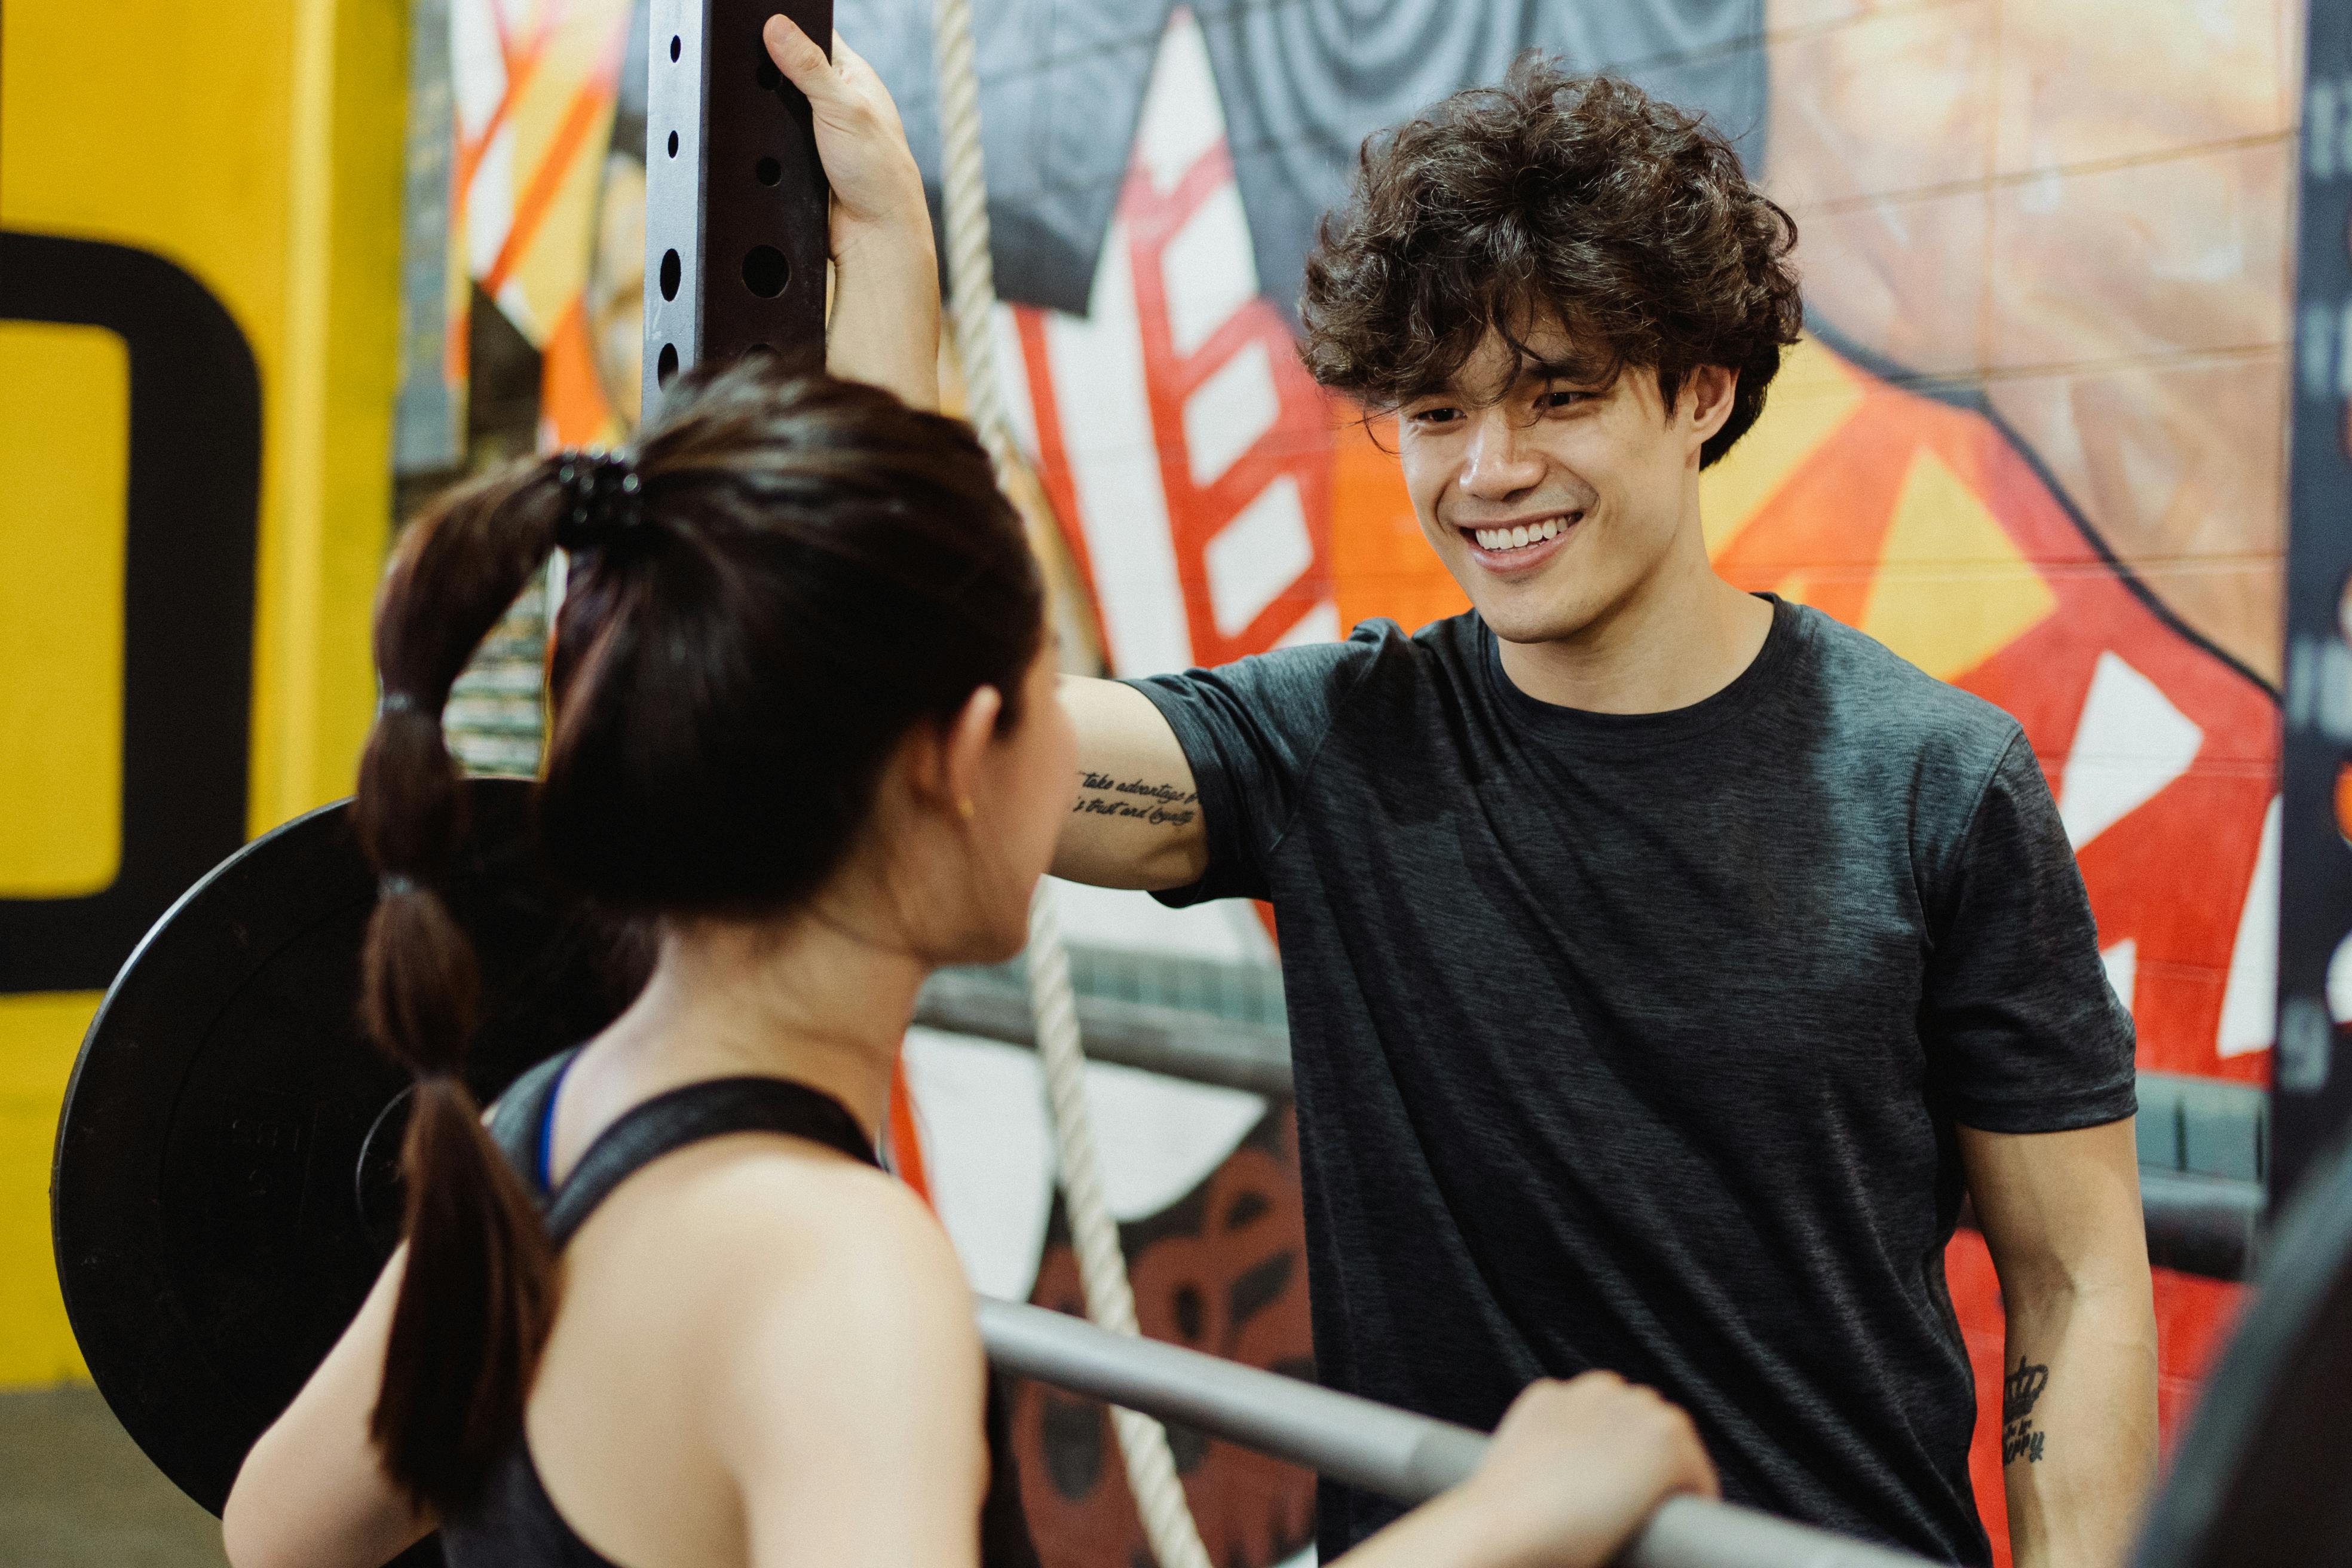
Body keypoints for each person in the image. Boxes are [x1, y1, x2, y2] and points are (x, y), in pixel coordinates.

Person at [220, 22, 1717, 1568]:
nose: (1076, 754)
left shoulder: (540, 1139)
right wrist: (1516, 1522)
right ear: (953, 758)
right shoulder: (841, 1281)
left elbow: (277, 1531)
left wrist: (894, 286)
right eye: (1043, 698)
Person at [1045, 60, 2161, 1568]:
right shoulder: (1330, 749)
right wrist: (877, 300)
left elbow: (2076, 1276)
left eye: (1557, 394)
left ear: (1701, 389)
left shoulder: (1935, 779)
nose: (1492, 472)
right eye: (1438, 412)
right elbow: (985, 762)